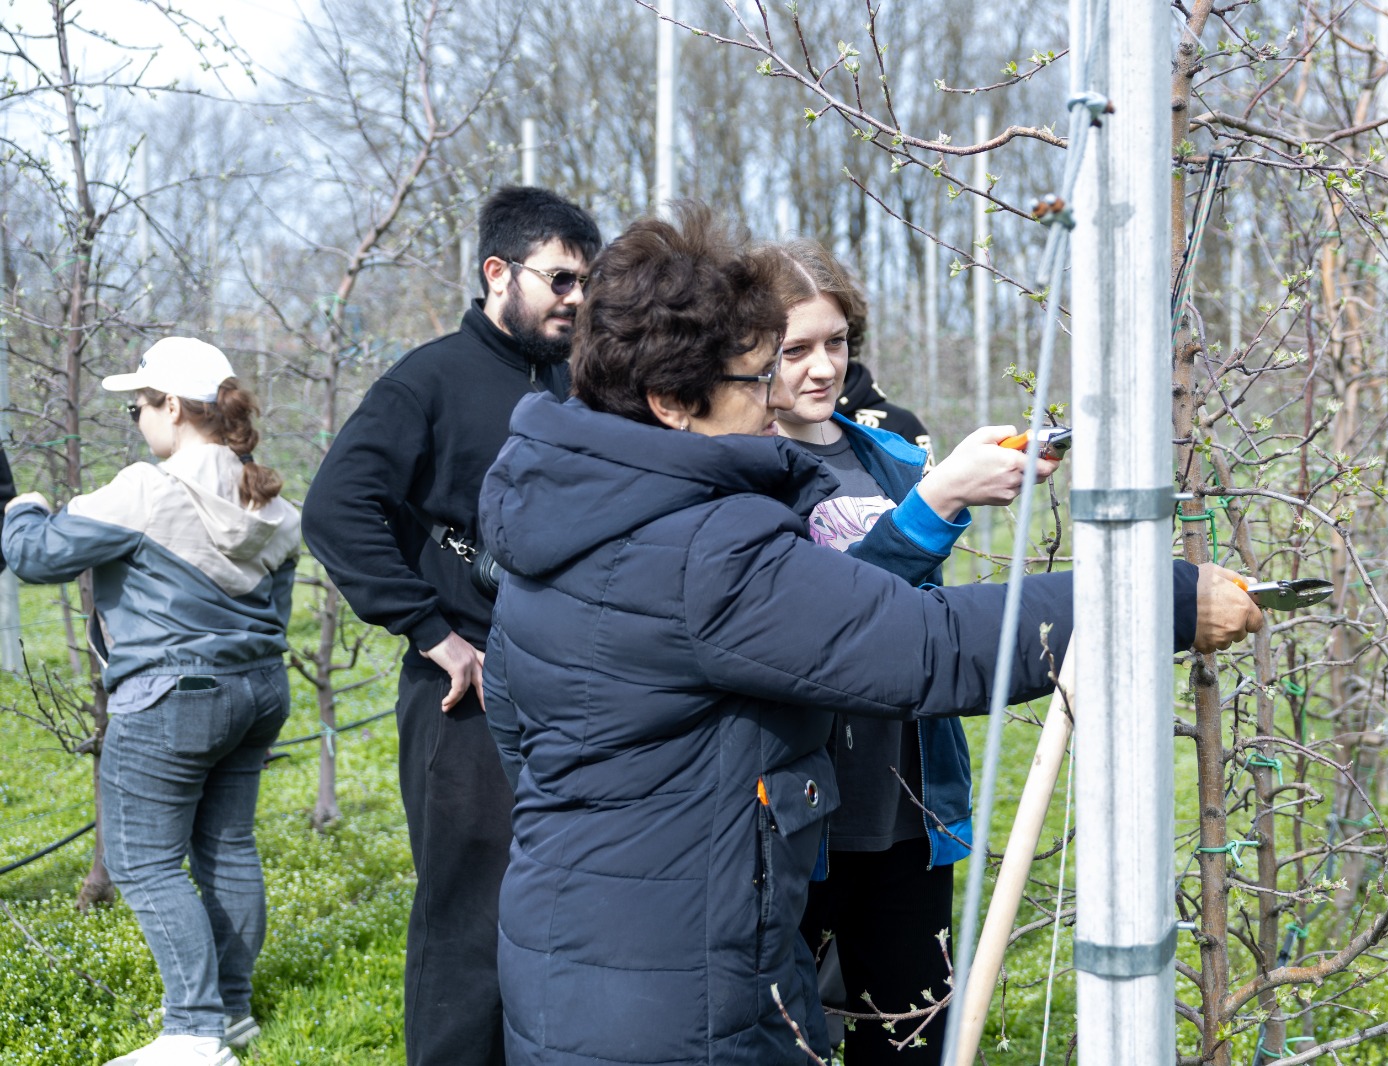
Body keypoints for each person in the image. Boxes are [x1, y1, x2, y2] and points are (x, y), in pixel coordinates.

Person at [478, 204, 1262, 1065]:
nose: (777, 399)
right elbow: (929, 647)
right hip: (680, 994)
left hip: (560, 959)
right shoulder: (706, 545)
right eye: (757, 378)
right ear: (670, 403)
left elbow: (516, 730)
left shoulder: (557, 513)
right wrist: (1160, 599)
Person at [300, 186, 601, 1066]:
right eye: (560, 279)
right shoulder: (428, 380)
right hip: (462, 700)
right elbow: (335, 508)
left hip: (567, 692)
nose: (576, 299)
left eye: (587, 282)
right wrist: (431, 630)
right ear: (497, 272)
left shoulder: (577, 384)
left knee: (556, 917)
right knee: (469, 926)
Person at [758, 238, 1051, 1063]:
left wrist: (951, 483)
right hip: (794, 814)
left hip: (906, 810)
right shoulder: (744, 469)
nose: (823, 368)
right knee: (783, 1038)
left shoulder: (889, 457)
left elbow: (908, 622)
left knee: (910, 1034)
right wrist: (940, 499)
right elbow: (819, 626)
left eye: (837, 342)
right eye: (795, 350)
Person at [3, 338, 299, 1066]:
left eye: (137, 407)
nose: (136, 420)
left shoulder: (145, 490)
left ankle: (194, 1032)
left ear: (173, 407)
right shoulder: (272, 503)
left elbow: (35, 555)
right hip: (260, 690)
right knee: (228, 847)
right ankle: (231, 1013)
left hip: (173, 697)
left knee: (142, 862)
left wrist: (23, 505)